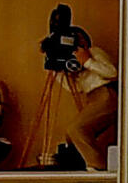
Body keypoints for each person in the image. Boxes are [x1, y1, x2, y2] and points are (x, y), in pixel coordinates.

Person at [44, 19, 118, 171]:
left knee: (76, 129)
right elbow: (75, 89)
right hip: (92, 98)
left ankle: (97, 165)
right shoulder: (77, 64)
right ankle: (77, 162)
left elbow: (112, 72)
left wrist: (87, 61)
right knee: (71, 134)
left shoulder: (94, 52)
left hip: (106, 95)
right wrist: (57, 72)